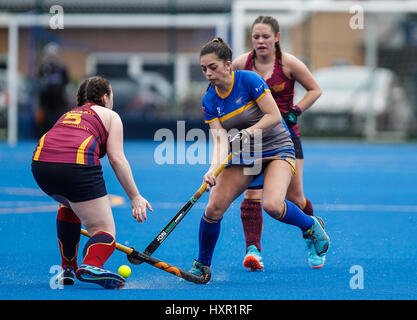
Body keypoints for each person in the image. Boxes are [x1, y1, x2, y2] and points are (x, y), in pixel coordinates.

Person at [188, 37, 329, 281]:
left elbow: (274, 116)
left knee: (273, 205)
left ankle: (310, 225)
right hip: (244, 157)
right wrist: (212, 170)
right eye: (204, 69)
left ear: (228, 65)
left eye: (213, 67)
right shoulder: (209, 100)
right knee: (213, 207)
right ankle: (202, 266)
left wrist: (249, 132)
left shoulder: (249, 80)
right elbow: (220, 140)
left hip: (276, 149)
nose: (208, 73)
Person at [31, 76, 153, 289]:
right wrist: (135, 197)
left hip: (41, 165)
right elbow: (117, 158)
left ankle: (67, 269)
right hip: (76, 166)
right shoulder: (111, 116)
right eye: (112, 96)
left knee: (68, 204)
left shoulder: (68, 114)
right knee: (103, 230)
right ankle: (90, 264)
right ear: (105, 97)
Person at [232, 16, 324, 270]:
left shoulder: (289, 64)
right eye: (256, 37)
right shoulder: (242, 64)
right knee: (252, 192)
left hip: (287, 138)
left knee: (294, 196)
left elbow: (315, 89)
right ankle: (253, 251)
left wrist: (296, 110)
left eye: (265, 36)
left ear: (277, 37)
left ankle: (312, 235)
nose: (260, 41)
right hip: (254, 139)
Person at [36, 42, 70, 137]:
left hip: (59, 104)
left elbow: (66, 85)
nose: (51, 59)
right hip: (46, 104)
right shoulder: (43, 69)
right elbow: (40, 84)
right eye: (49, 56)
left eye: (53, 56)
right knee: (44, 128)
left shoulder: (62, 69)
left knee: (58, 126)